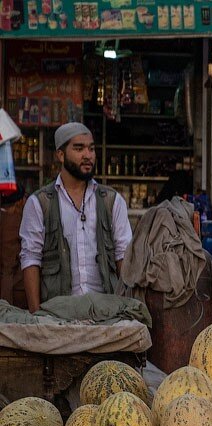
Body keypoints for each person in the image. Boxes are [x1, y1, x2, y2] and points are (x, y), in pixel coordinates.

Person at [18, 122, 132, 313]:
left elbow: (124, 256)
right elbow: (30, 259)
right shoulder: (39, 203)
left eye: (91, 148)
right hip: (57, 313)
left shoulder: (112, 201)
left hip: (107, 312)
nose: (88, 155)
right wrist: (36, 314)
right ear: (60, 155)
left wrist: (127, 308)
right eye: (79, 148)